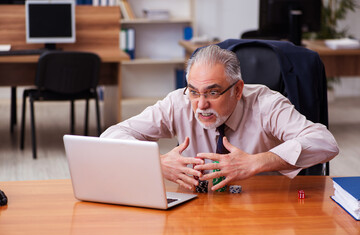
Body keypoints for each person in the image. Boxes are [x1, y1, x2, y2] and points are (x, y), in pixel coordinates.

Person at [100, 45, 339, 191]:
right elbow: (111, 136)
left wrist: (258, 161)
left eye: (213, 92)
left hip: (263, 203)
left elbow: (325, 142)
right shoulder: (178, 102)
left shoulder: (267, 104)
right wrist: (156, 161)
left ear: (237, 90)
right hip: (200, 206)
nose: (201, 104)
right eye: (194, 91)